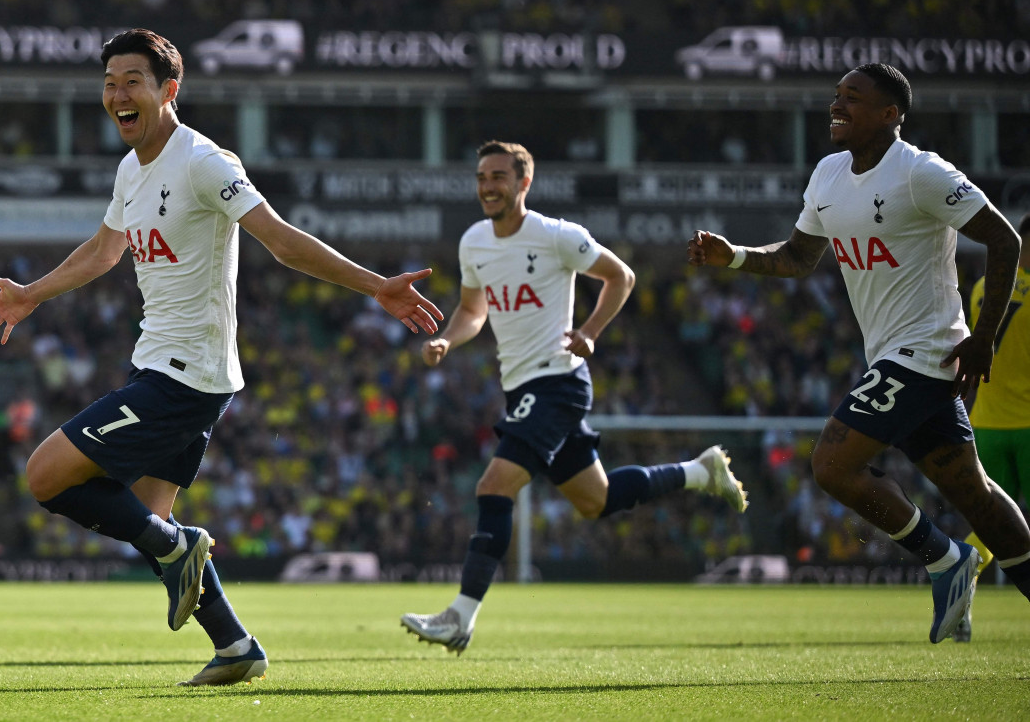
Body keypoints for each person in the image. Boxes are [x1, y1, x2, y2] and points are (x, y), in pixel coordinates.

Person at [0, 29, 443, 686]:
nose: (117, 94)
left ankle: (177, 549)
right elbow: (104, 252)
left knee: (47, 477)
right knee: (152, 518)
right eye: (109, 82)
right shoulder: (132, 171)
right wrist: (31, 297)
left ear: (169, 90)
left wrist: (375, 286)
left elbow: (280, 240)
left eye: (132, 80)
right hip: (163, 364)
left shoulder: (204, 161)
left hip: (186, 374)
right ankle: (235, 644)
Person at [687, 62, 1030, 643]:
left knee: (831, 464)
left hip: (924, 351)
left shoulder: (921, 173)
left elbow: (1004, 238)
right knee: (974, 493)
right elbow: (798, 258)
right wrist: (737, 257)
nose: (837, 105)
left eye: (853, 97)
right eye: (836, 95)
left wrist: (984, 335)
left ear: (891, 114)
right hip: (894, 357)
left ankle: (946, 559)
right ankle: (964, 560)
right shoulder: (827, 175)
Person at [400, 140, 748, 655]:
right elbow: (474, 310)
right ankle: (700, 471)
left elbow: (620, 275)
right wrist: (448, 339)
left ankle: (461, 615)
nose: (488, 186)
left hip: (557, 381)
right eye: (481, 177)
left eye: (498, 176)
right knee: (595, 500)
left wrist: (590, 330)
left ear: (523, 183)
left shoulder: (557, 235)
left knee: (493, 487)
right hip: (521, 385)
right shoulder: (474, 242)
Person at [955, 212, 1030, 641]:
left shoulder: (985, 287)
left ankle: (964, 585)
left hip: (985, 422)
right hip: (1027, 425)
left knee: (986, 522)